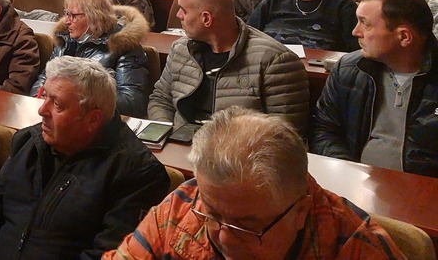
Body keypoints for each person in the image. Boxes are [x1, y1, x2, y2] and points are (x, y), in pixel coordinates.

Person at [106, 108, 405, 260]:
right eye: (213, 215)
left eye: (247, 226)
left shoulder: (357, 248)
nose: (225, 239)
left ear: (301, 211)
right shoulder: (185, 203)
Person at [0, 57, 169, 259]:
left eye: (57, 104)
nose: (42, 110)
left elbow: (108, 254)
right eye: (45, 96)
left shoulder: (137, 174)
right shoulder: (29, 141)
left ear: (93, 119)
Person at [148, 0, 310, 135]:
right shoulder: (181, 49)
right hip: (179, 146)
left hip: (238, 152)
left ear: (206, 19)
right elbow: (161, 100)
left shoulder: (275, 61)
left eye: (183, 10)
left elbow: (284, 135)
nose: (178, 16)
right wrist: (167, 135)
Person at [312, 0, 438, 176]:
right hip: (355, 182)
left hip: (423, 189)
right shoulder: (349, 69)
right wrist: (348, 172)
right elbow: (324, 130)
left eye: (365, 24)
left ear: (404, 36)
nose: (355, 32)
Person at [33, 0, 152, 110]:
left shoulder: (124, 46)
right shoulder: (64, 39)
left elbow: (132, 100)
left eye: (73, 15)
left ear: (94, 17)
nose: (67, 21)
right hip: (57, 111)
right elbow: (44, 77)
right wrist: (38, 98)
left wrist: (76, 101)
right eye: (67, 14)